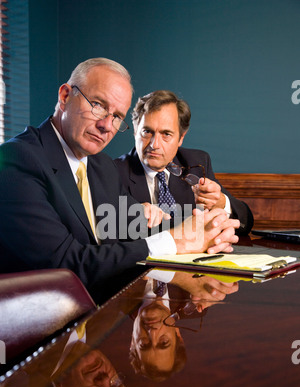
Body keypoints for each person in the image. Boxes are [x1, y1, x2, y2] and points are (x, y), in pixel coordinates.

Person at [0, 59, 239, 301]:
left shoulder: (101, 165)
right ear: (65, 96)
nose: (106, 125)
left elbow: (133, 233)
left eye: (116, 116)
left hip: (103, 313)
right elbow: (65, 265)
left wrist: (210, 233)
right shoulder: (16, 160)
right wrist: (179, 240)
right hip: (45, 327)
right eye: (97, 105)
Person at [115, 89, 253, 234]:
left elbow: (245, 223)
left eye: (166, 134)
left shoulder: (196, 164)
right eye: (147, 132)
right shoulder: (113, 172)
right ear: (136, 131)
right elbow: (108, 233)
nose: (154, 145)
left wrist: (220, 203)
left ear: (181, 138)